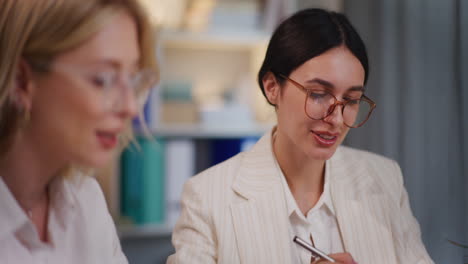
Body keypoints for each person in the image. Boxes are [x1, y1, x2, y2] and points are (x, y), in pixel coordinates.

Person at [168, 8, 434, 264]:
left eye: (351, 100)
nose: (337, 119)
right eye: (318, 94)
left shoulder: (384, 179)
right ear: (272, 88)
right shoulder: (207, 198)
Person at [0, 0, 157, 263]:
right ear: (21, 81)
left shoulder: (86, 201)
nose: (129, 107)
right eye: (103, 79)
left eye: (132, 79)